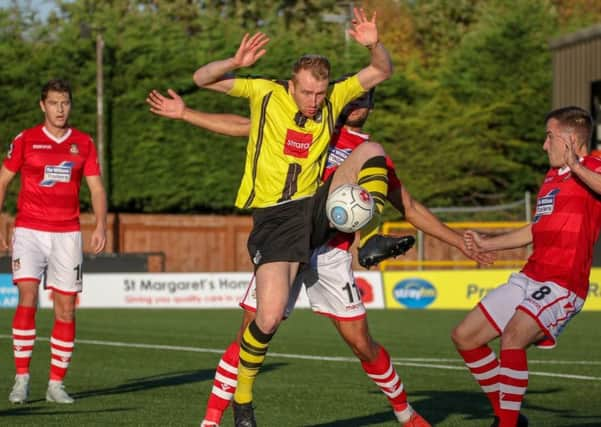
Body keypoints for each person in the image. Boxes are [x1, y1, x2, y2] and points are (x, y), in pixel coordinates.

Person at [147, 87, 493, 427]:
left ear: (372, 104)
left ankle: (406, 414)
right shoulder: (311, 126)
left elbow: (411, 208)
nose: (360, 102)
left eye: (367, 97)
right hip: (288, 237)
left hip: (332, 252)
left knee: (362, 343)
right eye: (355, 95)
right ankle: (211, 420)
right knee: (251, 331)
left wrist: (459, 241)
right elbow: (244, 125)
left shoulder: (370, 155)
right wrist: (186, 113)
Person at [190, 8, 404, 426]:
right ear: (292, 85)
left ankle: (372, 233)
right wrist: (234, 63)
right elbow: (202, 79)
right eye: (306, 93)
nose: (314, 102)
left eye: (320, 95)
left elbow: (382, 69)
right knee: (266, 319)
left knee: (370, 150)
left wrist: (373, 42)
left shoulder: (335, 98)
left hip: (315, 208)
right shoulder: (266, 93)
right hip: (276, 219)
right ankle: (244, 399)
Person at [451, 106, 601, 427]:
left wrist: (577, 166)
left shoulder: (593, 165)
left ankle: (507, 425)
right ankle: (509, 417)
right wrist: (487, 242)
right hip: (529, 277)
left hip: (563, 283)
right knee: (465, 336)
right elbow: (536, 227)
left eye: (549, 136)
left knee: (513, 336)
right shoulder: (552, 177)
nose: (544, 145)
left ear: (571, 139)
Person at [2, 79, 108, 404]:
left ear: (70, 105)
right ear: (42, 106)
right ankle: (22, 380)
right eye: (53, 103)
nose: (60, 109)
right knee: (27, 295)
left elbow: (97, 189)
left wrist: (101, 224)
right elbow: (3, 179)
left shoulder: (83, 143)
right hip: (30, 231)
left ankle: (55, 384)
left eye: (65, 103)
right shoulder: (26, 140)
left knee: (65, 310)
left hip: (68, 233)